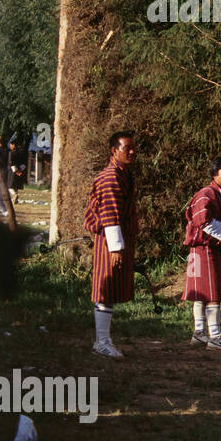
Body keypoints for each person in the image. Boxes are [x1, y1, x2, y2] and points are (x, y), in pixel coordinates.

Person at [84, 131, 138, 359]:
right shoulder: (109, 177)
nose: (132, 152)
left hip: (119, 238)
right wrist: (116, 248)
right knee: (105, 288)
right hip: (108, 238)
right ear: (114, 151)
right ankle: (101, 341)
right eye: (127, 148)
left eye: (133, 148)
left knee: (113, 288)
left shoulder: (124, 174)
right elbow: (110, 213)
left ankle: (104, 340)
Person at [180, 156, 221, 351]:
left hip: (213, 249)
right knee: (209, 292)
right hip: (204, 248)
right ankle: (214, 336)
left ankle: (199, 333)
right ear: (215, 174)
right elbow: (202, 221)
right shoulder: (207, 194)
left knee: (205, 292)